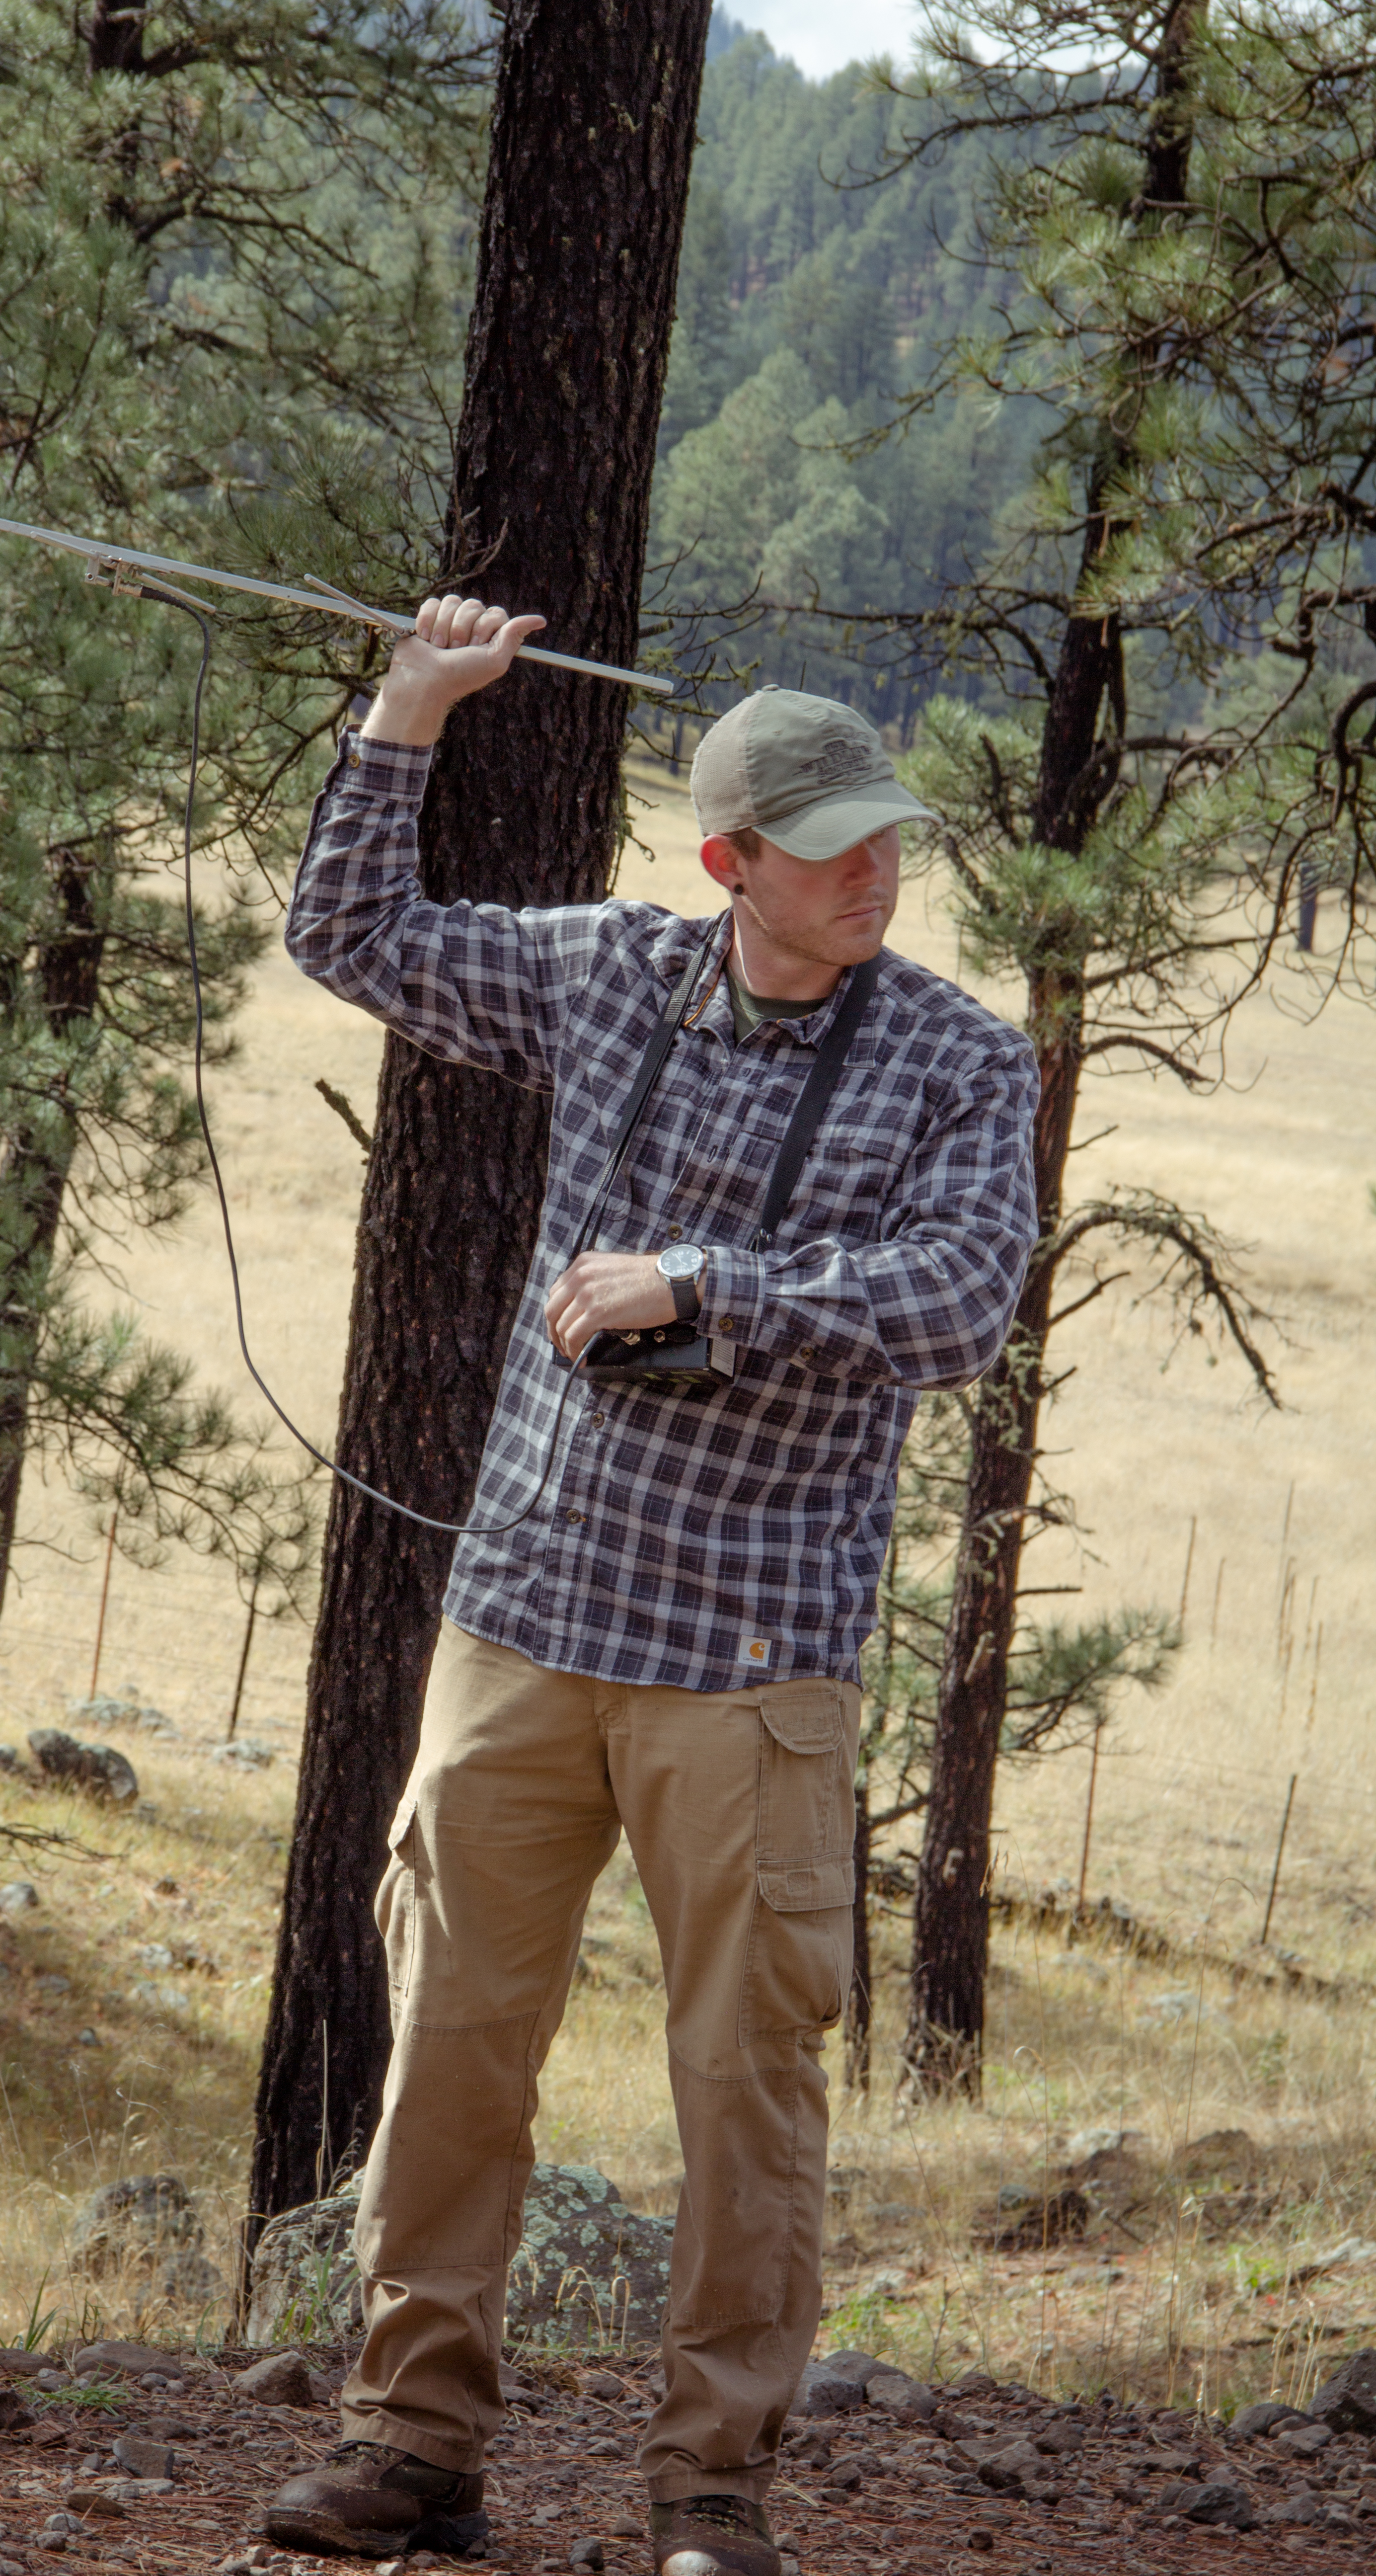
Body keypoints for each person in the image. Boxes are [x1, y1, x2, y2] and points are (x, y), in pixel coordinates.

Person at [266, 596, 1040, 2576]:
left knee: (747, 2080)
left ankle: (712, 2491)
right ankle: (412, 2440)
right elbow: (350, 937)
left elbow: (962, 1300)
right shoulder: (607, 974)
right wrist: (409, 716)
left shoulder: (960, 1059)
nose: (879, 872)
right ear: (728, 863)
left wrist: (705, 1286)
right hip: (524, 1620)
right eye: (835, 842)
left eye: (889, 839)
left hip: (757, 1658)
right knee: (453, 2037)